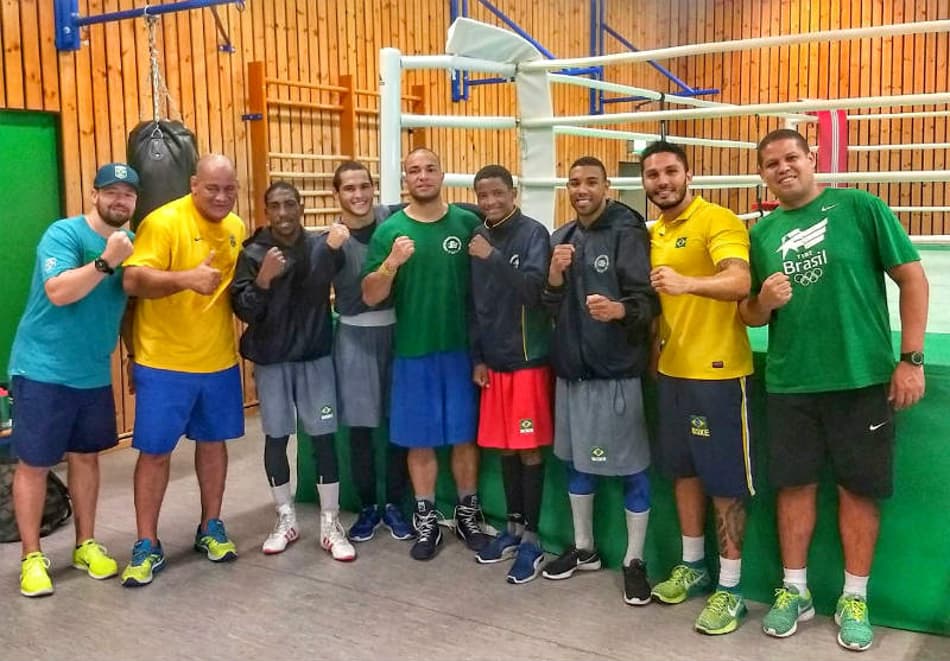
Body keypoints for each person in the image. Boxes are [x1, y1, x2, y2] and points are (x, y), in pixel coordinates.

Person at [738, 129, 928, 651]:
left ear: (811, 159)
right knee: (793, 486)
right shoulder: (762, 233)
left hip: (860, 377)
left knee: (857, 489)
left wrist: (910, 359)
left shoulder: (860, 207)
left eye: (791, 157)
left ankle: (855, 596)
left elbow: (912, 278)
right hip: (791, 380)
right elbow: (748, 310)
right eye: (772, 163)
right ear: (763, 174)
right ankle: (794, 590)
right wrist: (765, 303)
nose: (783, 168)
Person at [8, 163, 138, 597]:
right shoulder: (64, 234)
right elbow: (59, 292)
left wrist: (135, 354)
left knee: (86, 457)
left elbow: (131, 302)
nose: (120, 200)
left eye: (128, 194)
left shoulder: (130, 244)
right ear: (94, 193)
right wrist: (106, 261)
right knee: (35, 462)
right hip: (43, 367)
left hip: (91, 372)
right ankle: (31, 556)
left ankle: (85, 544)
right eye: (112, 192)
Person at [641, 141, 754, 634]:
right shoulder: (656, 231)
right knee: (682, 473)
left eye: (670, 172)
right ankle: (693, 564)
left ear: (689, 174)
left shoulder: (718, 220)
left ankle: (731, 589)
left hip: (720, 374)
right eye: (652, 175)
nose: (661, 181)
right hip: (673, 373)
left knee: (725, 484)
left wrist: (688, 284)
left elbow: (739, 283)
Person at [119, 154, 247, 587]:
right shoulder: (162, 221)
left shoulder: (236, 228)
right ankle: (146, 543)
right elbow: (133, 280)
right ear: (194, 184)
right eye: (212, 188)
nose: (221, 196)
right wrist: (185, 278)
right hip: (164, 361)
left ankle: (210, 526)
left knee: (213, 445)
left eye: (229, 189)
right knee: (155, 453)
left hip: (217, 361)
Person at [540, 156, 659, 606]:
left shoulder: (626, 232)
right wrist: (553, 275)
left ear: (607, 186)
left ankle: (634, 561)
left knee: (632, 469)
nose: (581, 190)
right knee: (575, 464)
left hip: (615, 374)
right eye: (574, 183)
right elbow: (547, 306)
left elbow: (649, 302)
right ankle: (585, 548)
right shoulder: (561, 238)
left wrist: (619, 310)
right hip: (571, 374)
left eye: (591, 182)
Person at [362, 147, 490, 561]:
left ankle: (468, 513)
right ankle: (427, 520)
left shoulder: (467, 223)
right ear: (406, 178)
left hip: (459, 351)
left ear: (442, 173)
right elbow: (369, 295)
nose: (422, 176)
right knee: (420, 442)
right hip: (413, 351)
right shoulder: (391, 231)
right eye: (413, 170)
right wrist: (392, 264)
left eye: (429, 169)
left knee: (463, 438)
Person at [230, 181, 356, 561]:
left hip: (315, 357)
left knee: (322, 438)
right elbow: (244, 311)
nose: (283, 213)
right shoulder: (252, 252)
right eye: (275, 206)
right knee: (276, 437)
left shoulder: (321, 246)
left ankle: (330, 522)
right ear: (266, 211)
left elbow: (324, 279)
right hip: (272, 360)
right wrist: (264, 279)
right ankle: (286, 517)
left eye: (289, 204)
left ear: (300, 207)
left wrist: (333, 245)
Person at [468, 164, 553, 584]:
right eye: (483, 195)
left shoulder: (533, 233)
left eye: (498, 193)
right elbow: (474, 304)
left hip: (527, 361)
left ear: (512, 193)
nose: (490, 202)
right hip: (495, 364)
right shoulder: (479, 236)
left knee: (529, 450)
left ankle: (534, 539)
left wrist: (493, 257)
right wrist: (478, 357)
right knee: (504, 448)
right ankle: (513, 528)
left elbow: (533, 291)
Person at [329, 161, 414, 544]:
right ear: (337, 194)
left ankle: (396, 505)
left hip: (398, 333)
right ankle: (367, 508)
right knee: (362, 430)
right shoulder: (332, 239)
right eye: (349, 188)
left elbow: (446, 210)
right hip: (355, 339)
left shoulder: (395, 219)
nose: (359, 194)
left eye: (364, 186)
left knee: (399, 424)